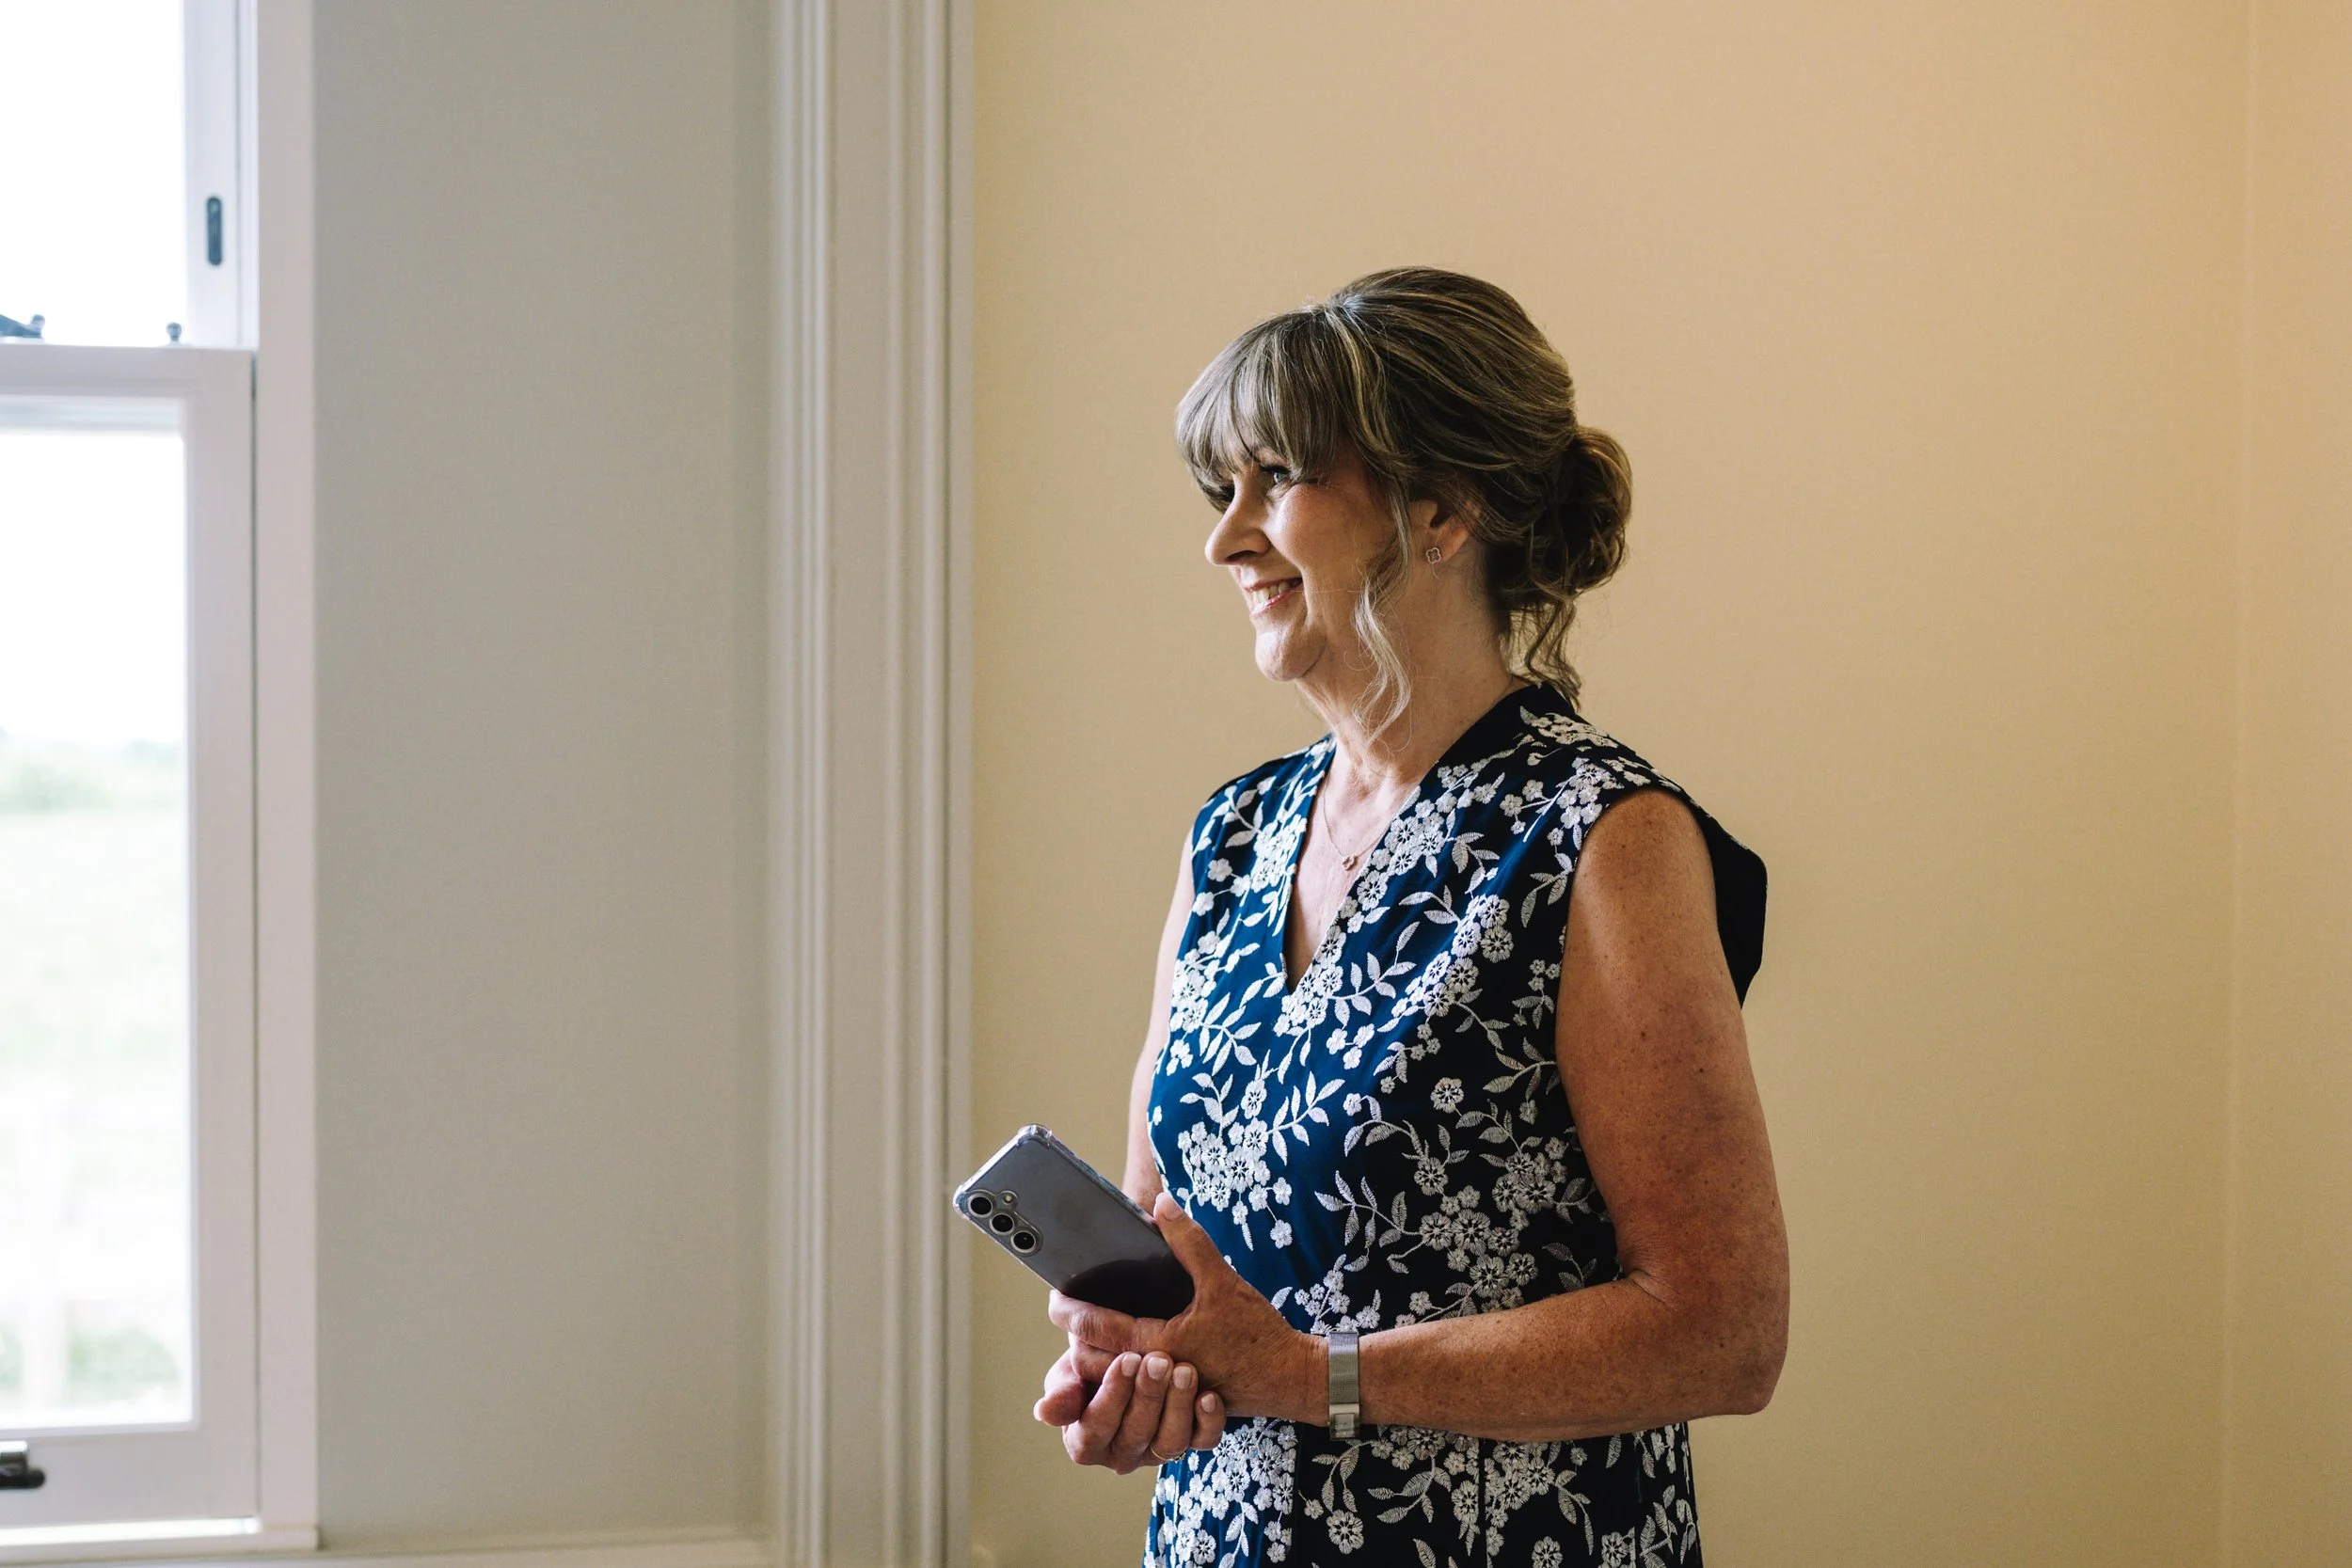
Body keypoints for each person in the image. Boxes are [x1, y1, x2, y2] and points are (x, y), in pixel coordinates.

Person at [1032, 267, 1787, 1568]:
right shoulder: (1230, 837)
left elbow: (1724, 1330)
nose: (1227, 540)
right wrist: (1133, 1365)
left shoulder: (1603, 839)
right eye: (1222, 491)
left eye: (1278, 479)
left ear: (1441, 508)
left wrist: (1309, 1374)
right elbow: (1180, 1253)